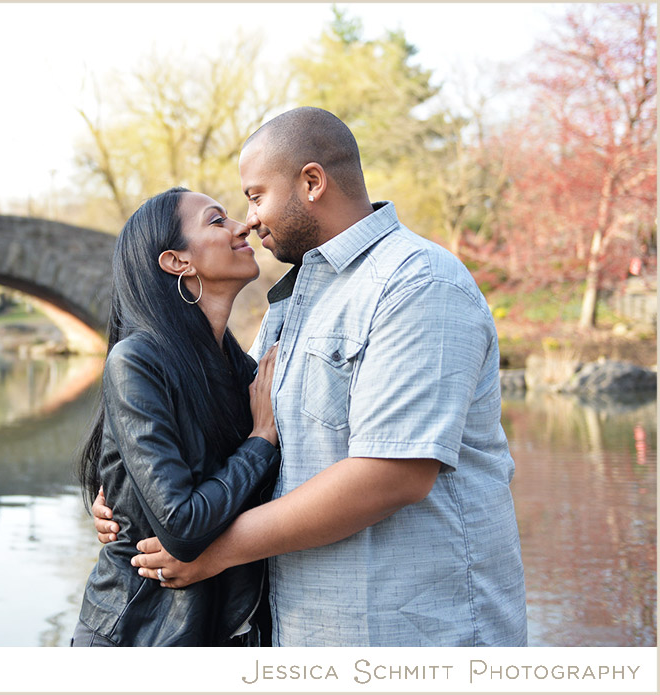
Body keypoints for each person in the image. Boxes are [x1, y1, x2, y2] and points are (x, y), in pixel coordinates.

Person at [93, 107, 528, 647]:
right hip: (306, 637)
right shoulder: (290, 303)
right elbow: (226, 436)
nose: (248, 220)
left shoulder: (416, 283)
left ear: (312, 182)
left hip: (415, 636)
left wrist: (214, 549)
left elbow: (394, 473)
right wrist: (125, 498)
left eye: (255, 196)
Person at [71, 186, 282, 647]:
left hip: (223, 631)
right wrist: (261, 441)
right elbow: (182, 526)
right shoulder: (138, 361)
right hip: (138, 635)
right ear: (176, 261)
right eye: (216, 220)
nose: (241, 225)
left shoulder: (239, 367)